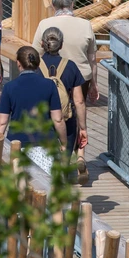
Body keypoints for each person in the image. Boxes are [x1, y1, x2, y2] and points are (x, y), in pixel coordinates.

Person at [0, 46, 65, 172]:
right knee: (47, 188)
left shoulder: (9, 87)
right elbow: (58, 119)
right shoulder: (49, 85)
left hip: (18, 145)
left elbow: (2, 122)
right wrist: (64, 143)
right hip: (46, 145)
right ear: (38, 63)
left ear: (18, 63)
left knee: (19, 187)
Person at [38, 26, 89, 183]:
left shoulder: (34, 65)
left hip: (41, 119)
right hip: (65, 118)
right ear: (61, 45)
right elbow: (79, 100)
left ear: (42, 44)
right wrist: (82, 127)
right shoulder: (71, 66)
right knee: (64, 158)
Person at [35, 0, 99, 106]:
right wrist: (94, 84)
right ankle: (80, 125)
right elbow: (92, 59)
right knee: (77, 108)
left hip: (51, 75)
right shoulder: (86, 25)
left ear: (53, 6)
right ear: (72, 4)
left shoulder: (44, 24)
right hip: (81, 77)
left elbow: (35, 55)